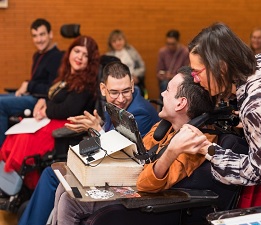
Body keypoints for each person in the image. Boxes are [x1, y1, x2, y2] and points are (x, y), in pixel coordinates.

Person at [167, 22, 261, 204]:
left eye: (196, 72)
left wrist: (206, 149)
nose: (195, 79)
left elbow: (259, 172)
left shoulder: (256, 105)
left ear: (221, 68)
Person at [50, 66, 216, 225]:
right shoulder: (163, 127)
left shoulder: (195, 142)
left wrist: (171, 150)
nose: (162, 93)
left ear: (180, 103)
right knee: (65, 184)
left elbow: (146, 182)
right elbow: (137, 154)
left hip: (149, 199)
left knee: (69, 201)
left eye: (167, 90)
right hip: (132, 183)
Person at [18, 61, 160, 225]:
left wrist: (96, 130)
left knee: (54, 178)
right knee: (54, 173)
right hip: (109, 170)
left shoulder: (139, 113)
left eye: (126, 91)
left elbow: (121, 155)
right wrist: (96, 129)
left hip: (124, 180)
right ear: (103, 89)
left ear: (133, 85)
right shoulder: (119, 104)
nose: (121, 98)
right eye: (114, 92)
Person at [0, 35, 100, 193]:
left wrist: (45, 110)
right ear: (70, 52)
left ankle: (23, 186)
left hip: (68, 125)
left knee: (24, 138)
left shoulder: (86, 82)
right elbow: (52, 96)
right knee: (15, 133)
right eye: (77, 51)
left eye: (85, 55)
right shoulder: (66, 76)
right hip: (52, 120)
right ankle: (10, 184)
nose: (80, 57)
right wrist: (44, 102)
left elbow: (68, 109)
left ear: (90, 61)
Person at [0, 18, 63, 147]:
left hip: (40, 99)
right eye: (35, 36)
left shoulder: (56, 57)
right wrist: (27, 84)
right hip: (31, 94)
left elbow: (52, 89)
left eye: (42, 34)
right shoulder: (37, 55)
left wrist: (28, 85)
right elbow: (37, 81)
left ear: (50, 34)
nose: (38, 39)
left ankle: (1, 150)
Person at [105, 29, 146, 97]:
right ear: (110, 43)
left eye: (120, 39)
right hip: (116, 83)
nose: (117, 43)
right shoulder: (108, 55)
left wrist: (135, 75)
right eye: (114, 41)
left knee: (136, 90)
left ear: (124, 40)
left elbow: (142, 66)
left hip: (133, 80)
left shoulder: (131, 51)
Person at [156, 29, 189, 99]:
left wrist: (172, 76)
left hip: (179, 80)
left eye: (173, 44)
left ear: (178, 42)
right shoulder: (162, 52)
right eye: (168, 44)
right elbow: (159, 71)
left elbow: (186, 72)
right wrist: (164, 75)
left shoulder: (185, 52)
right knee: (165, 84)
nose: (170, 46)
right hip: (165, 80)